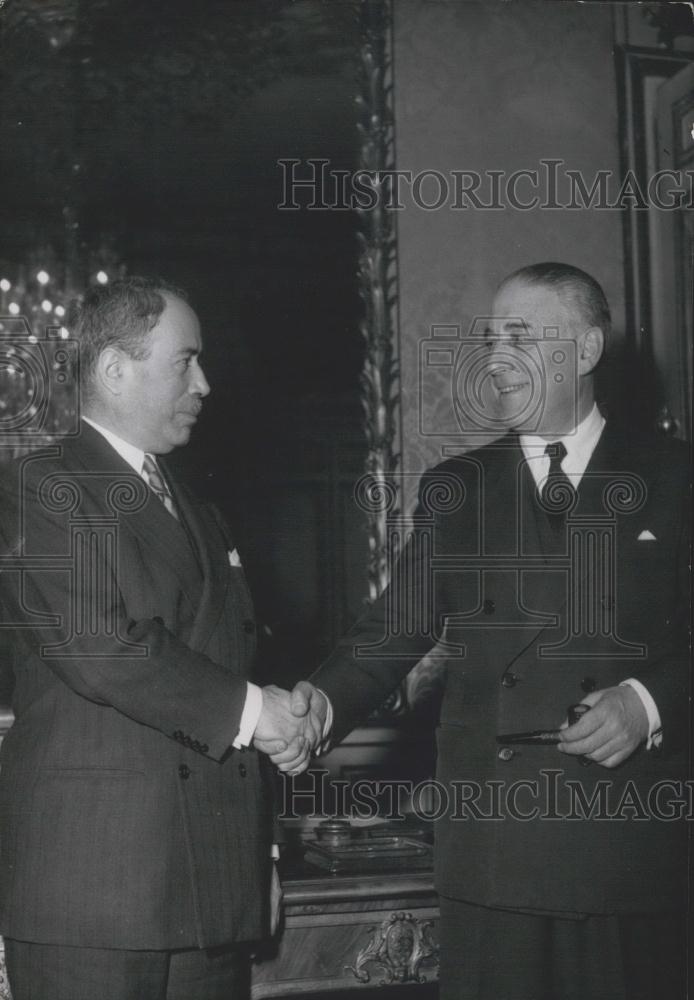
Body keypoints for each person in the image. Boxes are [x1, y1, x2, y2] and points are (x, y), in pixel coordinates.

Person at [285, 263, 690, 1000]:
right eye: (489, 339)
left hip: (628, 855)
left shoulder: (676, 477)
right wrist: (316, 706)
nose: (496, 358)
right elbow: (390, 633)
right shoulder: (457, 490)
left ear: (588, 350)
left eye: (520, 336)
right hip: (493, 855)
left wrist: (648, 702)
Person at [0, 277, 317, 1000]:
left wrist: (257, 854)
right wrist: (258, 713)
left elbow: (231, 660)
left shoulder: (196, 504)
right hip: (95, 893)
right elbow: (104, 651)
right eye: (185, 361)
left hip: (209, 887)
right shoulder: (40, 486)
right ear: (114, 369)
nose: (204, 383)